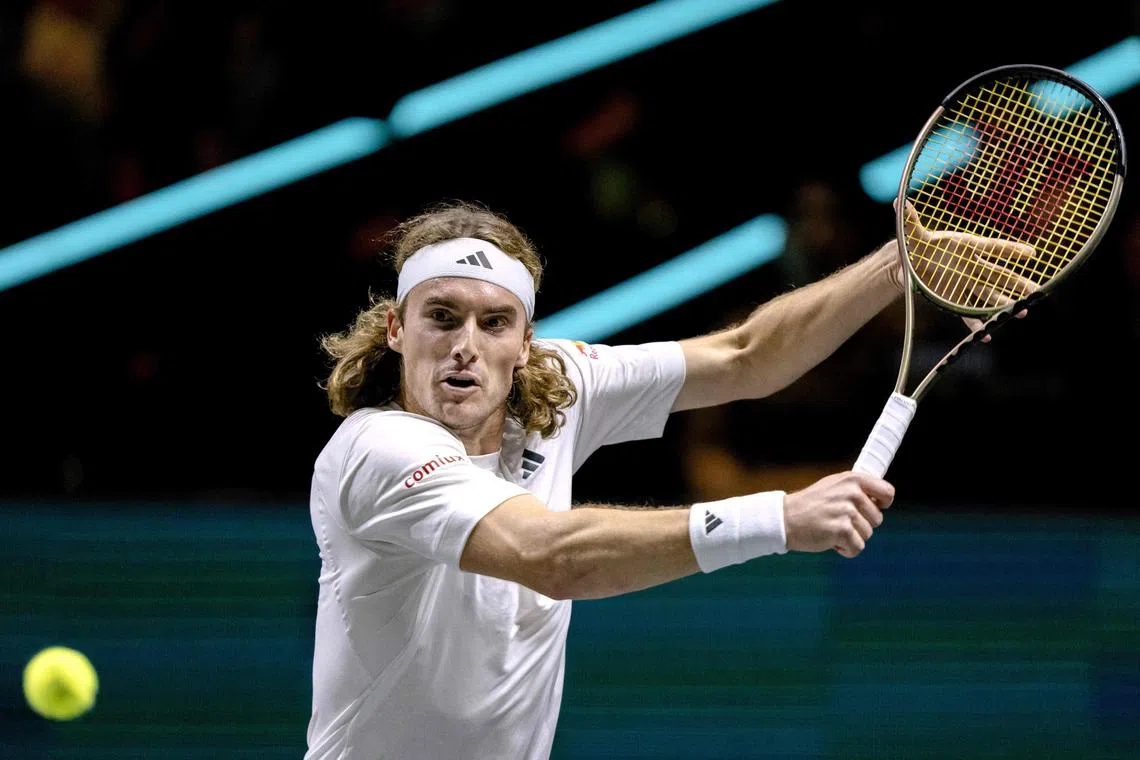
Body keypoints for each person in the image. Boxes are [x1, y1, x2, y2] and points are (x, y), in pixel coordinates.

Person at [303, 199, 1033, 759]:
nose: (466, 346)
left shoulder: (558, 387)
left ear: (526, 342)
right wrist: (777, 518)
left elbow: (747, 356)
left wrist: (890, 268)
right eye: (442, 317)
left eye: (494, 323)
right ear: (396, 329)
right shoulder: (378, 449)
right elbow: (552, 556)